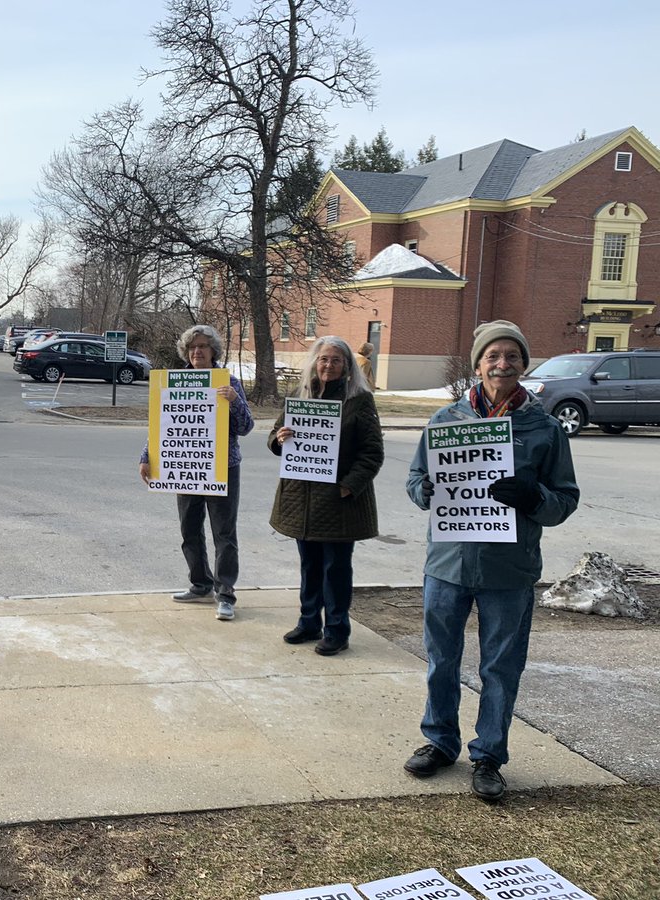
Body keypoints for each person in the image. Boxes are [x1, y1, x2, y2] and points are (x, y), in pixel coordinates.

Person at [404, 320, 578, 802]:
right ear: (478, 364)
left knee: (500, 666)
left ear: (523, 364)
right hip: (448, 564)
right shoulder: (445, 421)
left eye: (512, 356)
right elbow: (416, 478)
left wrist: (532, 496)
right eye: (493, 356)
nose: (502, 364)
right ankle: (439, 742)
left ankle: (488, 756)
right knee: (441, 660)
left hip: (510, 569)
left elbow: (564, 499)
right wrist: (427, 490)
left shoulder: (543, 429)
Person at [268, 336, 384, 656]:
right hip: (302, 500)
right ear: (314, 363)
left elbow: (372, 453)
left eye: (335, 360)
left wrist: (351, 484)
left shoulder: (359, 400)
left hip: (339, 502)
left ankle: (336, 629)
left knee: (336, 568)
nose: (328, 365)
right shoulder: (301, 396)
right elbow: (274, 440)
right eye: (323, 359)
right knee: (309, 565)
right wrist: (280, 439)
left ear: (347, 365)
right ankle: (309, 622)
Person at [139, 325, 254, 621]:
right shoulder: (174, 382)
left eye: (203, 346)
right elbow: (164, 424)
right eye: (192, 348)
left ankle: (225, 593)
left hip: (222, 468)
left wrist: (235, 400)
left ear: (214, 350)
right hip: (185, 467)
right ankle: (200, 583)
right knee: (189, 529)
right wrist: (146, 456)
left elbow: (245, 427)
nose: (197, 352)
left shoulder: (227, 382)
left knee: (224, 534)